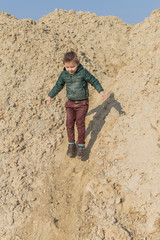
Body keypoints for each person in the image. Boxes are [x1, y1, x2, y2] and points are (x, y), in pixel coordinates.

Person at [45, 51, 109, 160]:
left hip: (82, 103)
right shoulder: (64, 74)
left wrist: (101, 91)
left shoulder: (83, 72)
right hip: (70, 103)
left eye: (72, 66)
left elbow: (94, 81)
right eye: (67, 67)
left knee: (80, 124)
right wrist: (50, 96)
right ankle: (71, 144)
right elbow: (58, 86)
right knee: (69, 123)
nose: (70, 69)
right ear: (64, 66)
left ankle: (81, 146)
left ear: (78, 64)